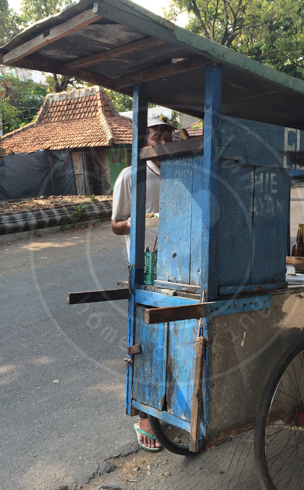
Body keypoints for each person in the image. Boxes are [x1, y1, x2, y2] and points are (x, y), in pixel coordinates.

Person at [111, 113, 175, 451]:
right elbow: (116, 224)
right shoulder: (130, 175)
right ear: (144, 138)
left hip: (179, 268)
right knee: (145, 341)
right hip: (145, 268)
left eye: (167, 134)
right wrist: (142, 222)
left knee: (175, 337)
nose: (162, 141)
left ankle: (171, 405)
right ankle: (145, 415)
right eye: (156, 134)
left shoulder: (181, 172)